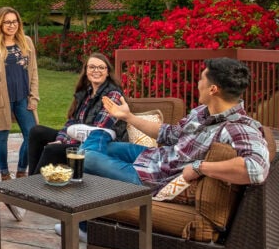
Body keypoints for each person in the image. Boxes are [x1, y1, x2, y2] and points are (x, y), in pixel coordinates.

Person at [82, 57, 270, 192]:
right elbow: (169, 134)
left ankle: (84, 224)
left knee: (85, 158)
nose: (197, 84)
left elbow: (257, 168)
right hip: (157, 158)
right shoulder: (201, 112)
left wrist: (199, 167)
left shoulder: (239, 127)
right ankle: (103, 135)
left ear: (213, 89)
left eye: (201, 80)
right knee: (107, 147)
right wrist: (128, 117)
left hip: (155, 178)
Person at [27, 52, 127, 176]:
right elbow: (72, 121)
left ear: (107, 72)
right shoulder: (86, 92)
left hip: (99, 146)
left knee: (53, 150)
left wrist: (65, 143)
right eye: (92, 67)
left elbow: (98, 132)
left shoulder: (113, 96)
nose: (96, 70)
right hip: (79, 140)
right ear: (86, 71)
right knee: (37, 132)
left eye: (101, 67)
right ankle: (31, 179)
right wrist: (61, 139)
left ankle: (36, 188)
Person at [0, 6, 39, 180]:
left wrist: (34, 97)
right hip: (1, 98)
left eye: (14, 21)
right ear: (0, 24)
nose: (11, 25)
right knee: (1, 136)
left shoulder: (26, 42)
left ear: (19, 23)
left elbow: (34, 71)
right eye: (7, 22)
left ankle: (22, 170)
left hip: (23, 97)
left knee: (32, 134)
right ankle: (4, 173)